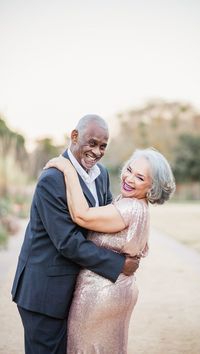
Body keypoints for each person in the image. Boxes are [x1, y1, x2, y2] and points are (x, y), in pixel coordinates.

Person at [11, 114, 140, 354]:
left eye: (103, 146)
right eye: (91, 143)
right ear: (74, 136)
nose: (97, 151)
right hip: (44, 294)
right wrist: (119, 264)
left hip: (73, 292)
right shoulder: (52, 179)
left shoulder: (101, 175)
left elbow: (105, 220)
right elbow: (68, 242)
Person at [44, 147, 176, 353]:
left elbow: (82, 215)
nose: (129, 178)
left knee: (85, 348)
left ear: (152, 187)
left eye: (140, 177)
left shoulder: (129, 208)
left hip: (101, 291)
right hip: (118, 288)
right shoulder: (134, 204)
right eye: (129, 169)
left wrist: (67, 168)